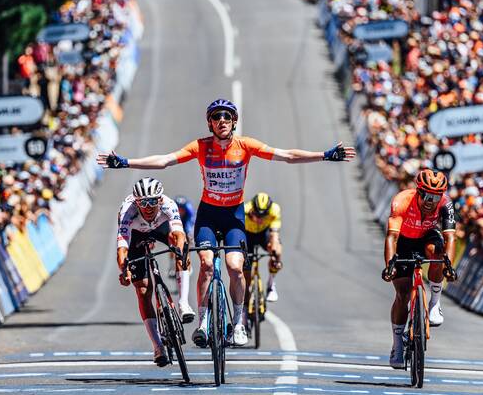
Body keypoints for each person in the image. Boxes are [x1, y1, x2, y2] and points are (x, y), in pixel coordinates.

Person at [99, 98, 356, 347]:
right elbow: (165, 160)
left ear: (234, 121)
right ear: (209, 123)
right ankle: (202, 323)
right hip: (208, 214)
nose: (221, 120)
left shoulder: (245, 146)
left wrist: (325, 155)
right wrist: (124, 162)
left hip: (234, 215)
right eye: (216, 117)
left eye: (226, 117)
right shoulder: (200, 146)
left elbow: (287, 155)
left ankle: (239, 322)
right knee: (207, 264)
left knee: (235, 267)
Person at [381, 169, 456, 369]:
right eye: (427, 195)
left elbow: (450, 237)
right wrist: (390, 265)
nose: (431, 201)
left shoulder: (446, 204)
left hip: (427, 237)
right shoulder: (401, 201)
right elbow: (392, 237)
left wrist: (448, 265)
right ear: (418, 191)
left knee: (437, 252)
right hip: (404, 241)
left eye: (436, 196)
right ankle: (397, 345)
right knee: (403, 294)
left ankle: (434, 303)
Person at [116, 178, 188, 367]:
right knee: (142, 290)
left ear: (160, 200)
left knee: (181, 250)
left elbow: (179, 234)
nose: (148, 207)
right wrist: (124, 270)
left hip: (160, 229)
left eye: (152, 202)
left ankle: (183, 304)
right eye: (143, 203)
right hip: (136, 235)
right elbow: (122, 247)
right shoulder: (127, 212)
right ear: (136, 201)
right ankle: (157, 347)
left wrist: (180, 252)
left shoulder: (168, 204)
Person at [244, 192, 283, 302]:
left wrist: (275, 255)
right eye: (257, 214)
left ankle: (271, 285)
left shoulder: (274, 210)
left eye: (263, 215)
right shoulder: (246, 209)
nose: (260, 217)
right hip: (248, 234)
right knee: (245, 271)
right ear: (252, 210)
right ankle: (245, 302)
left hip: (263, 233)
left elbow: (274, 235)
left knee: (277, 250)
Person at [173, 195, 196, 323]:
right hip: (175, 221)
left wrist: (189, 237)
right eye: (179, 209)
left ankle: (186, 262)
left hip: (186, 221)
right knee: (174, 240)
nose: (180, 210)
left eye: (182, 209)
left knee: (186, 240)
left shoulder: (188, 210)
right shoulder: (173, 208)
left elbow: (190, 224)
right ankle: (173, 265)